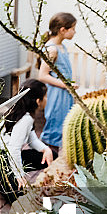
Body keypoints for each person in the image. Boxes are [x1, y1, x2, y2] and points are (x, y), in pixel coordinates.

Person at [0, 78, 54, 203]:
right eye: (45, 96)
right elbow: (14, 149)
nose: (47, 99)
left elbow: (32, 139)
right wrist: (19, 175)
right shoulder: (25, 118)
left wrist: (46, 149)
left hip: (5, 156)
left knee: (52, 155)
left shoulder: (21, 112)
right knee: (20, 199)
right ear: (38, 101)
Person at [39, 12, 77, 154]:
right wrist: (66, 85)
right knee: (54, 127)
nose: (74, 32)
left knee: (63, 126)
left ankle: (55, 160)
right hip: (56, 95)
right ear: (62, 30)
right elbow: (42, 76)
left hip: (65, 94)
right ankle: (47, 159)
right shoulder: (52, 49)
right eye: (73, 28)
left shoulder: (61, 46)